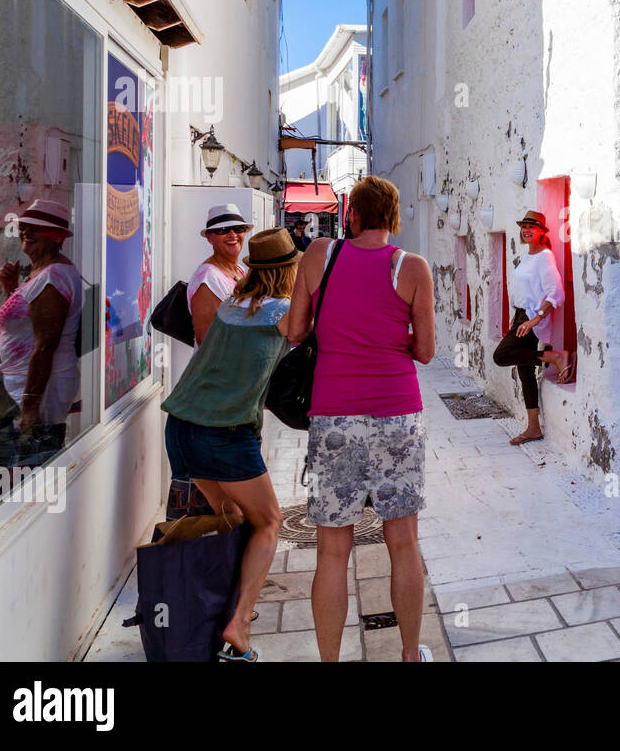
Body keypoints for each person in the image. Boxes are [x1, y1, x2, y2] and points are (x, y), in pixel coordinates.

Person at [286, 176, 436, 662]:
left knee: (333, 549)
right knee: (403, 540)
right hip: (397, 414)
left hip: (334, 415)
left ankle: (330, 660)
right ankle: (410, 653)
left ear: (350, 215)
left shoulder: (319, 256)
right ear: (393, 218)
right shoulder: (412, 268)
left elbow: (294, 329)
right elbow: (427, 352)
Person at [161, 228, 300, 662]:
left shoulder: (229, 307)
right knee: (269, 522)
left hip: (181, 425)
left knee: (232, 515)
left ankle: (220, 608)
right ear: (287, 270)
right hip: (224, 432)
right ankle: (238, 626)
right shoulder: (282, 312)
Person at [0, 200, 83, 470]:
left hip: (39, 388)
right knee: (22, 467)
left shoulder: (53, 276)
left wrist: (30, 409)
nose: (26, 232)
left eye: (37, 228)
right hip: (24, 384)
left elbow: (45, 346)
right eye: (24, 227)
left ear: (56, 237)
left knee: (31, 467)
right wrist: (10, 288)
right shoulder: (41, 272)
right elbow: (22, 324)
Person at [492, 210, 574, 445]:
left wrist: (534, 319)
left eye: (532, 226)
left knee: (501, 355)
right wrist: (515, 315)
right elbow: (523, 290)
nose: (527, 230)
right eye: (524, 226)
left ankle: (555, 357)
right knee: (524, 371)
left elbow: (556, 292)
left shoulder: (545, 257)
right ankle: (533, 428)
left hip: (530, 319)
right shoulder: (527, 256)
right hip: (520, 317)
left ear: (541, 231)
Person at [188, 204, 251, 345]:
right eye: (223, 230)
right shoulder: (207, 280)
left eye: (238, 228)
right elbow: (206, 340)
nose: (233, 235)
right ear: (210, 237)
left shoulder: (240, 270)